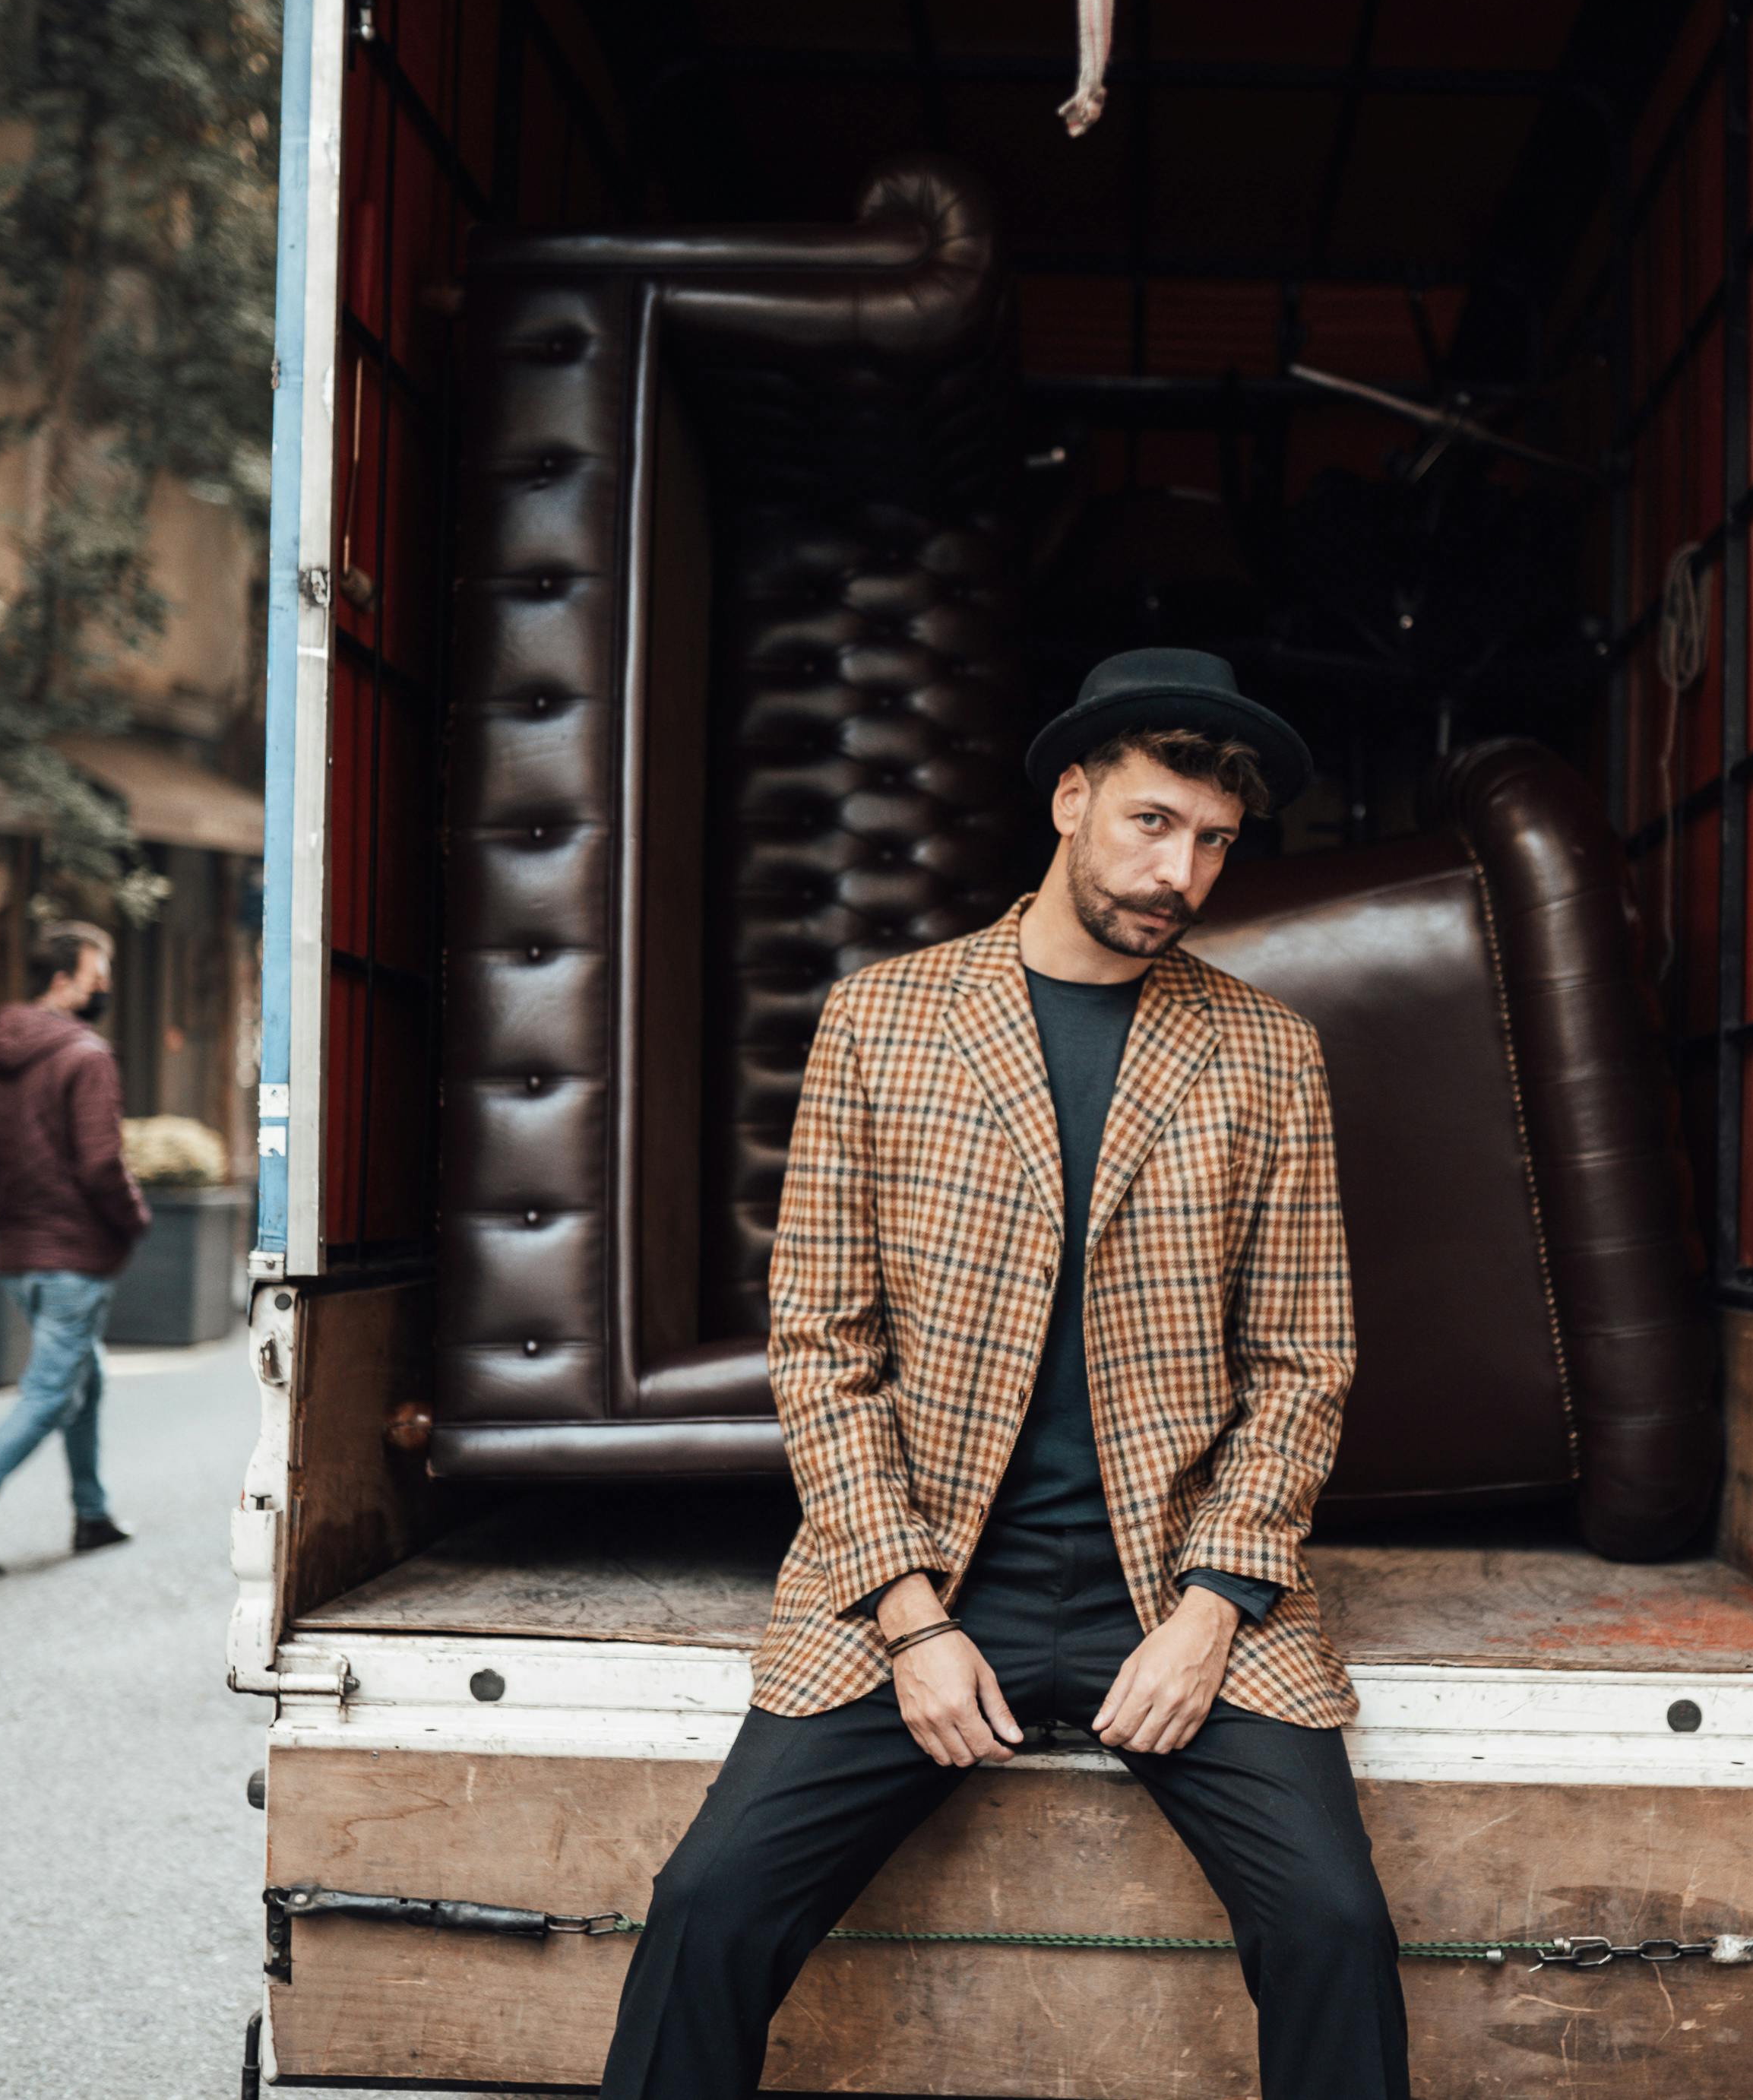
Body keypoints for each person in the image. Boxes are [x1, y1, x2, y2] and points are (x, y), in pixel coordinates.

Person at [598, 650, 1406, 2100]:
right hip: (921, 1578)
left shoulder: (1268, 1053)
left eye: (1216, 842)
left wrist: (1215, 1611)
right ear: (1071, 797)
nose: (1184, 873)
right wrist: (909, 1620)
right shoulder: (884, 1020)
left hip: (1172, 1588)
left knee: (1338, 1925)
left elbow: (1304, 1363)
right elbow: (821, 1346)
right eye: (1154, 822)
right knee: (707, 1908)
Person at [0, 920, 150, 1577]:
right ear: (62, 979)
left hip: (20, 1254)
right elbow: (103, 1163)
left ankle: (92, 1513)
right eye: (98, 973)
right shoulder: (87, 1056)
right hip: (74, 1254)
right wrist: (134, 1219)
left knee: (85, 1377)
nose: (106, 986)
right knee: (49, 1392)